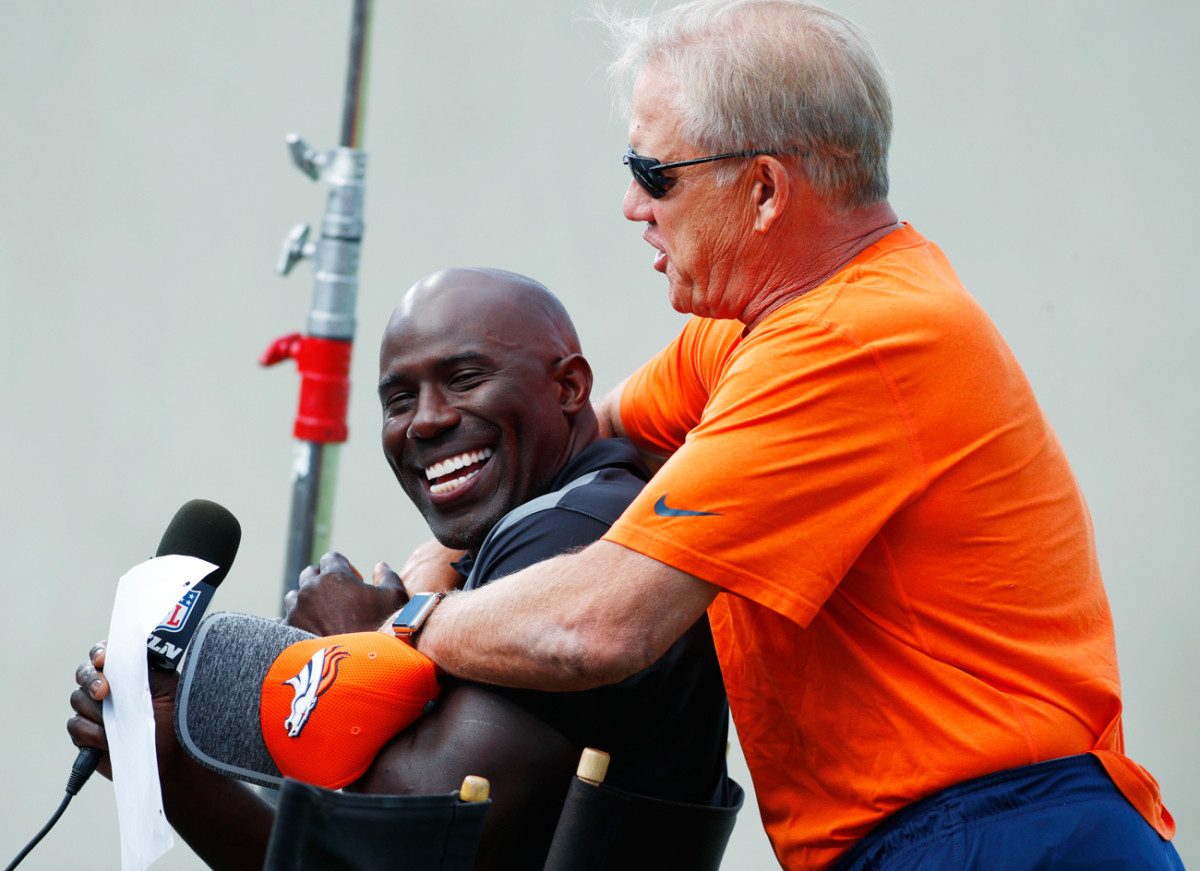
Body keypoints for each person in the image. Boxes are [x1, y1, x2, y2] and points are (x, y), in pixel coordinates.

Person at [376, 3, 1184, 870]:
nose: (631, 205)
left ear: (764, 189)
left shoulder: (852, 339)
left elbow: (600, 627)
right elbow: (570, 439)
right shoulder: (759, 329)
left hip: (1002, 832)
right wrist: (445, 553)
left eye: (655, 172)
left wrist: (405, 624)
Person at [69, 267, 730, 871]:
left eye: (465, 377)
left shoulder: (572, 532)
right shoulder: (535, 527)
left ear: (568, 387)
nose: (427, 420)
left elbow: (404, 854)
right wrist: (169, 764)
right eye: (399, 398)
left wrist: (370, 649)